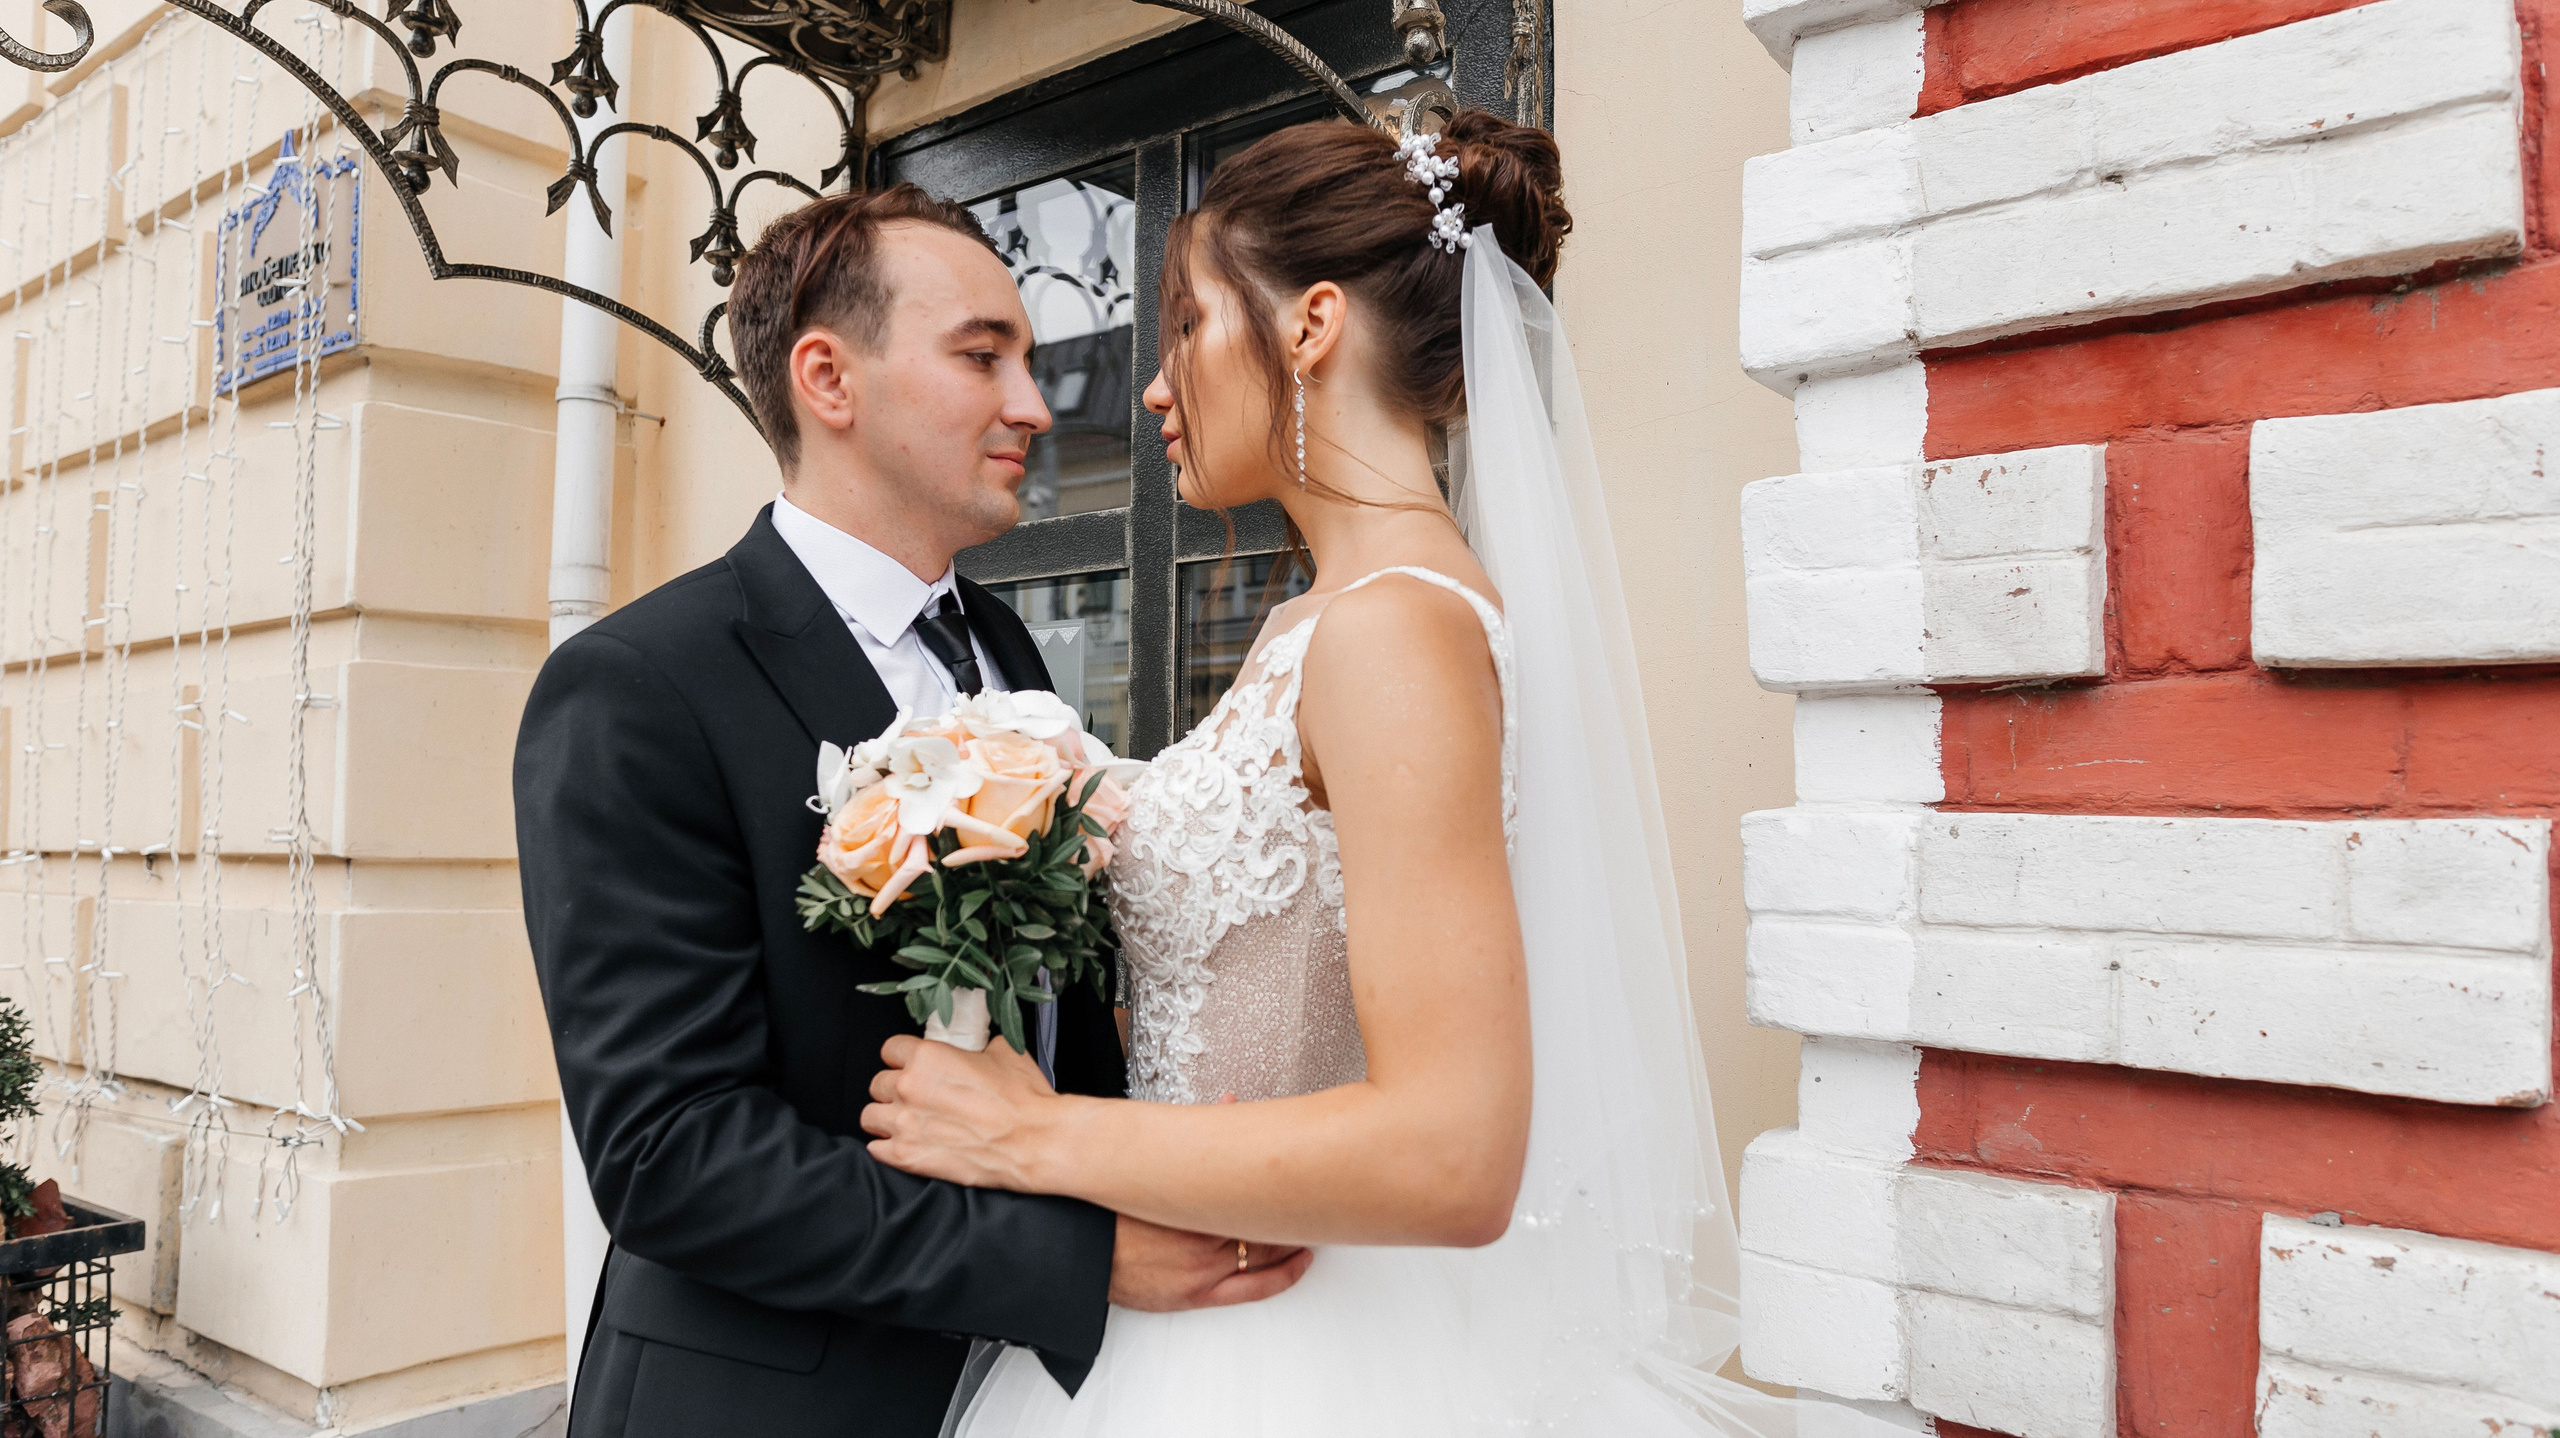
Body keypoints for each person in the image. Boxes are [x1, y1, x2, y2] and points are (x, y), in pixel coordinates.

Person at [861, 112, 1830, 1437]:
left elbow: (1453, 1149)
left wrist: (1031, 1138)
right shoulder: (1331, 617)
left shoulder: (1393, 630)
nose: (1155, 387)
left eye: (1188, 325)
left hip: (1303, 1363)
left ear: (1310, 326)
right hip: (1217, 1319)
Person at [513, 185, 1310, 1438]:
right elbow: (672, 1155)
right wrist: (1072, 1259)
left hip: (1047, 1395)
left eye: (1030, 363)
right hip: (773, 1401)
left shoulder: (1007, 653)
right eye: (982, 356)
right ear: (828, 379)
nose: (1034, 409)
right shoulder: (642, 685)